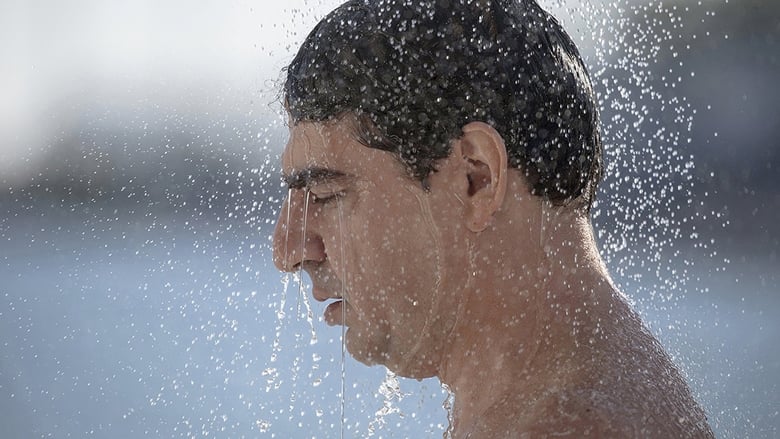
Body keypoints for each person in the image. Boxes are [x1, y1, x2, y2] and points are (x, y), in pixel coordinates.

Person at [271, 0, 714, 436]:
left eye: (326, 194)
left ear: (476, 178)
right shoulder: (591, 397)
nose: (287, 250)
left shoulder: (571, 429)